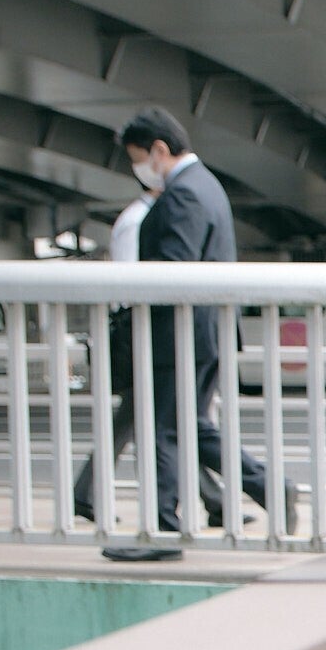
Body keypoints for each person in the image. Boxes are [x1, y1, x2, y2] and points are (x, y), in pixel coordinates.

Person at [122, 107, 297, 537]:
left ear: (158, 150)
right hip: (204, 332)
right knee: (188, 427)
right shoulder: (206, 185)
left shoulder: (183, 194)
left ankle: (162, 530)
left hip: (181, 334)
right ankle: (270, 488)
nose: (138, 169)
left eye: (137, 158)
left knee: (164, 430)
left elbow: (174, 268)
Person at [74, 185, 225, 527]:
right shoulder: (139, 219)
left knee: (152, 421)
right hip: (142, 335)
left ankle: (85, 493)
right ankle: (212, 500)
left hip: (148, 334)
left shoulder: (144, 216)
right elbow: (136, 283)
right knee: (163, 422)